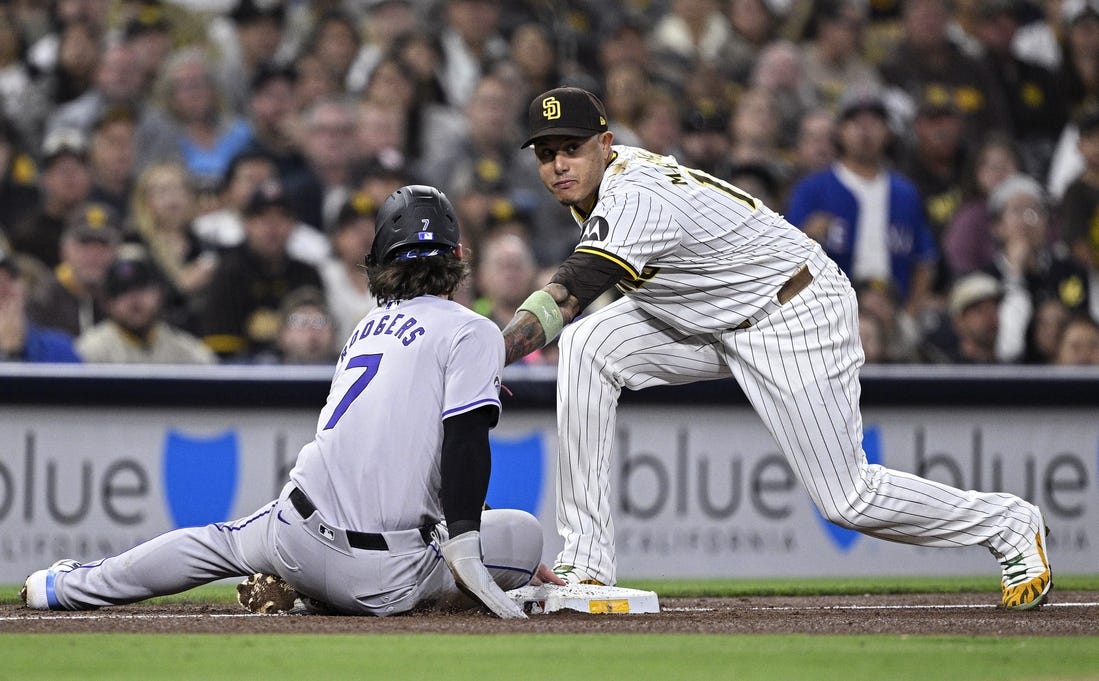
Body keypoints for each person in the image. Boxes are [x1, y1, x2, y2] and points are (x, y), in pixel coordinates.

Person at [502, 86, 1052, 610]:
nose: (559, 165)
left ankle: (1007, 524)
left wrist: (488, 356)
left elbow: (567, 294)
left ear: (605, 144)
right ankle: (586, 564)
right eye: (546, 154)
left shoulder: (633, 197)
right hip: (711, 315)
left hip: (791, 312)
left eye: (571, 149)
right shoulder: (600, 185)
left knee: (847, 498)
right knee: (589, 345)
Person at [21, 184, 544, 619]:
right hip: (384, 577)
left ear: (379, 262)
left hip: (297, 534)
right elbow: (463, 445)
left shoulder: (365, 327)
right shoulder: (472, 329)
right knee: (523, 534)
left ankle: (60, 586)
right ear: (459, 255)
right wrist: (471, 547)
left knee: (213, 543)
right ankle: (322, 597)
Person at [75, 255, 217, 364]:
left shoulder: (188, 352)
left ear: (160, 295)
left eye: (142, 289)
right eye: (122, 292)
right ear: (107, 303)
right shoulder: (90, 351)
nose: (134, 300)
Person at [0, 247, 81, 363]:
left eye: (11, 277)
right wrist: (9, 354)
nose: (4, 287)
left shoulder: (58, 348)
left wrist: (14, 353)